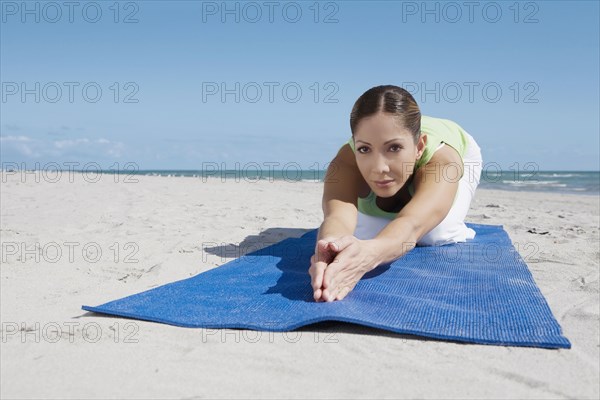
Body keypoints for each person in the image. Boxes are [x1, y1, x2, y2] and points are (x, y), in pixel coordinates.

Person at [308, 85, 483, 302]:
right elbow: (337, 217)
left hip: (458, 153)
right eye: (364, 149)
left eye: (394, 148)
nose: (379, 168)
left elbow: (412, 224)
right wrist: (329, 250)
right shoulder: (344, 163)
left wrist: (369, 256)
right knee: (358, 235)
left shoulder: (442, 164)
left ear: (419, 147)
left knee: (435, 234)